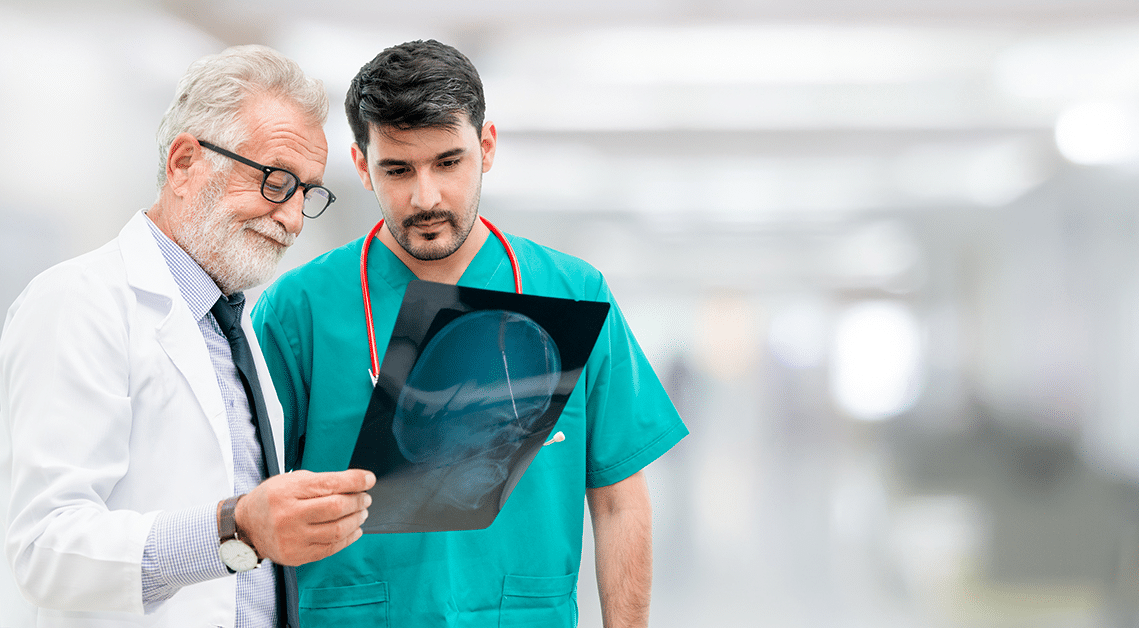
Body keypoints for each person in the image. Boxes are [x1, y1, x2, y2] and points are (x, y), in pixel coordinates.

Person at [251, 39, 688, 627]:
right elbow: (252, 505)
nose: (425, 197)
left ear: (486, 148)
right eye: (397, 170)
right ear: (360, 166)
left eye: (448, 162)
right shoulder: (299, 310)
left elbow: (617, 500)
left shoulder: (572, 293)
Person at [0, 45, 375, 628]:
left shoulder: (236, 331)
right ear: (183, 163)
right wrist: (238, 529)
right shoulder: (79, 302)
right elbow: (45, 549)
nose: (294, 219)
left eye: (307, 192)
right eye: (276, 181)